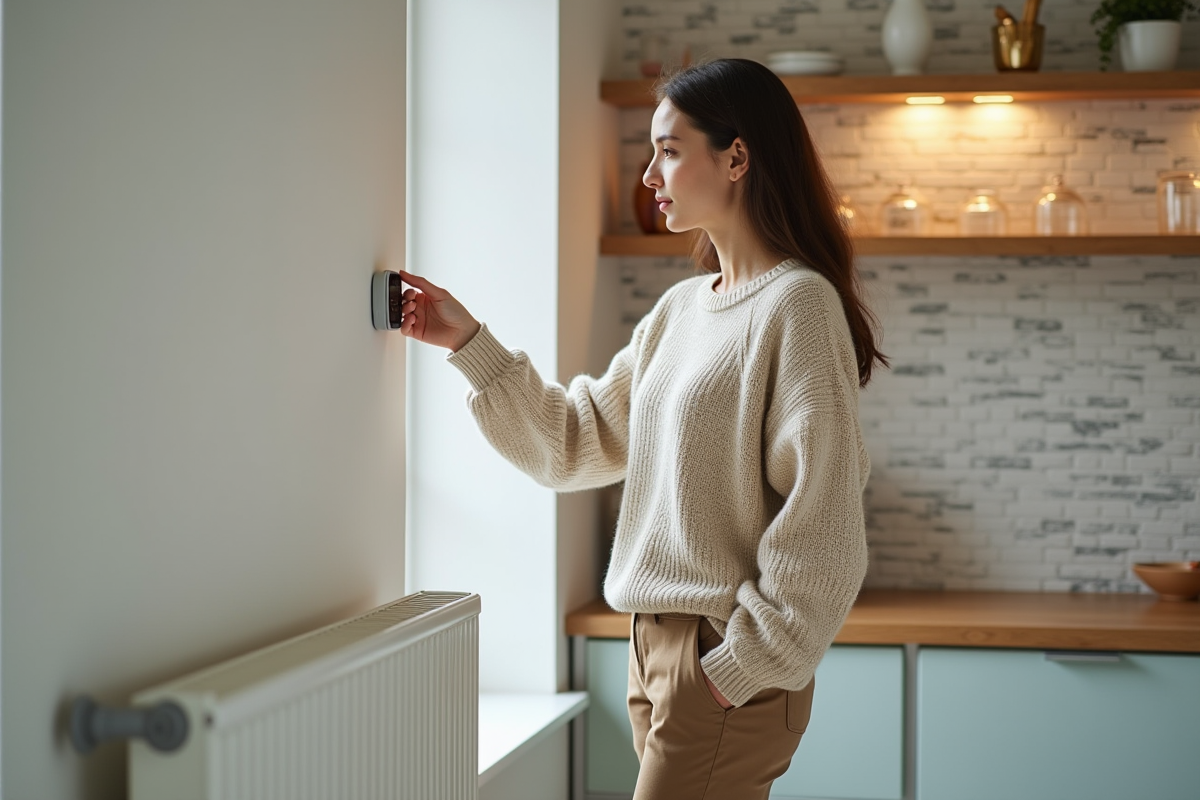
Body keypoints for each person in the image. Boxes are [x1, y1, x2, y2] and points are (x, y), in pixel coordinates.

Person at [398, 57, 887, 800]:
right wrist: (470, 343)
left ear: (736, 157)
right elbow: (574, 440)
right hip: (655, 655)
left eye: (667, 149)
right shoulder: (681, 311)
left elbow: (824, 526)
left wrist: (729, 672)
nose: (650, 177)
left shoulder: (798, 307)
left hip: (719, 664)